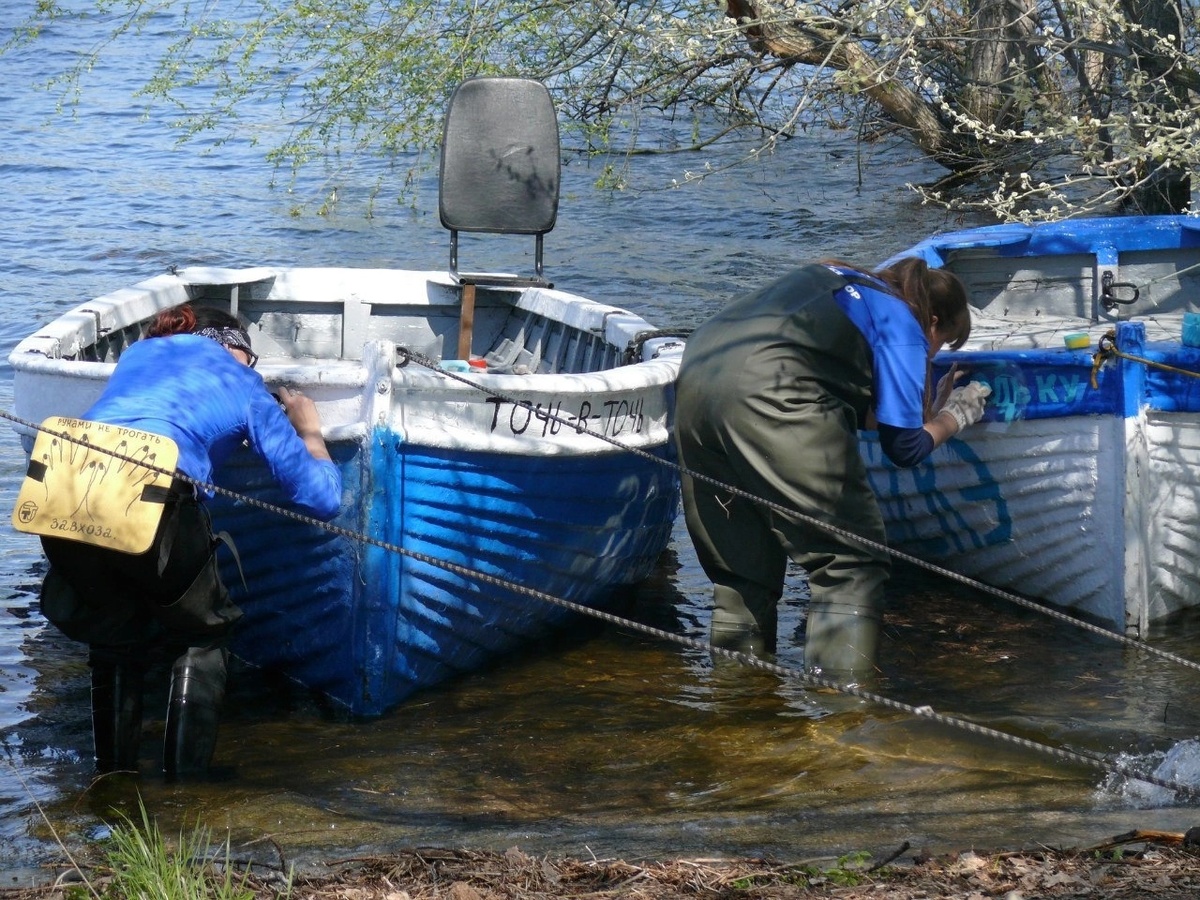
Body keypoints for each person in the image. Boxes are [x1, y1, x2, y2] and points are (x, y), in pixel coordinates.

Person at [35, 303, 342, 778]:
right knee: (202, 633)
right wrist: (310, 434)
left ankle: (114, 781)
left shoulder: (138, 357)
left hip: (61, 486)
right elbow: (319, 497)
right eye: (252, 356)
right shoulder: (242, 384)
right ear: (235, 348)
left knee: (113, 633)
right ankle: (184, 788)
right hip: (153, 494)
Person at [674, 257, 990, 676]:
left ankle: (738, 714)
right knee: (850, 563)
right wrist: (954, 415)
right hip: (771, 392)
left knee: (741, 577)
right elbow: (904, 446)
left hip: (696, 380)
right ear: (933, 321)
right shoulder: (905, 324)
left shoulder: (835, 276)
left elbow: (833, 387)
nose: (932, 353)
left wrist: (918, 405)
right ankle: (839, 721)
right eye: (942, 344)